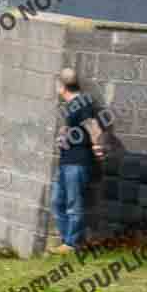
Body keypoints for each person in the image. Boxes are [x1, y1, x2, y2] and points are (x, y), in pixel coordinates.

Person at [48, 68, 106, 255]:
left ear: (62, 87)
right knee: (57, 202)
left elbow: (93, 126)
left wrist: (97, 148)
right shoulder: (74, 105)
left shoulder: (81, 103)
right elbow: (76, 125)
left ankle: (72, 244)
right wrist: (63, 134)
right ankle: (68, 241)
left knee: (74, 204)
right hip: (67, 161)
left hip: (77, 162)